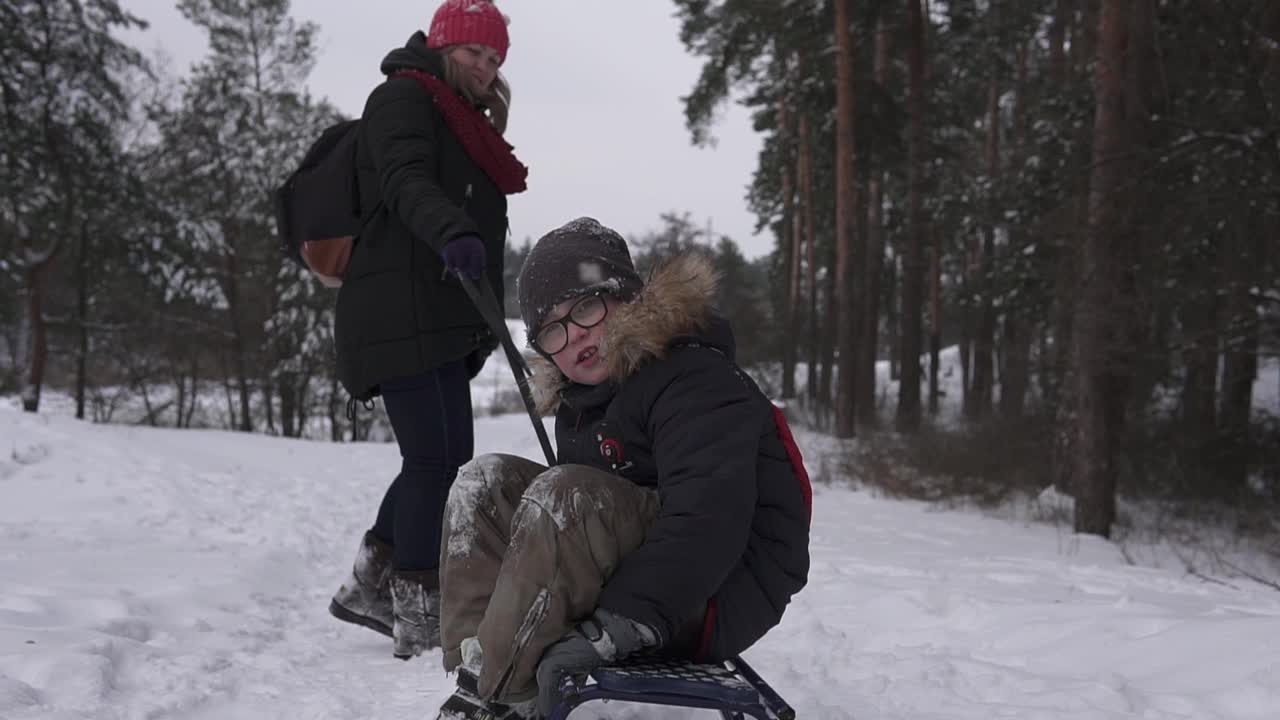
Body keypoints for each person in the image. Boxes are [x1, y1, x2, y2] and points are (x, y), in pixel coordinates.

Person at [432, 218, 812, 719]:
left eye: (586, 307)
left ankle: (493, 696)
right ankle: (481, 671)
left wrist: (620, 624)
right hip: (645, 580)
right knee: (482, 485)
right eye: (552, 330)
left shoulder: (693, 377)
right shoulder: (584, 405)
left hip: (716, 590)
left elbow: (708, 518)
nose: (574, 336)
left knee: (563, 496)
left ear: (627, 297)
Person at [327, 0, 528, 661]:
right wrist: (454, 232)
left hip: (436, 314)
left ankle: (370, 585)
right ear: (444, 45)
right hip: (396, 311)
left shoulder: (461, 116)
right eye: (474, 52)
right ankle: (419, 613)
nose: (484, 66)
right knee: (437, 465)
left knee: (437, 462)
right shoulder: (403, 98)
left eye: (494, 58)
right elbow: (403, 177)